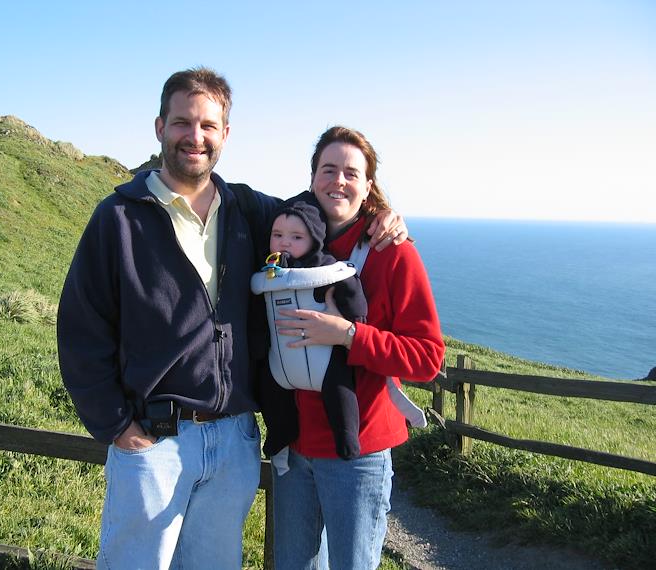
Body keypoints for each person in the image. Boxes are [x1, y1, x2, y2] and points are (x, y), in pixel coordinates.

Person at [56, 68, 408, 569]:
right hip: (154, 441)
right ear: (160, 127)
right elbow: (80, 330)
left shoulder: (248, 210)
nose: (194, 137)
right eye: (182, 122)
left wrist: (381, 213)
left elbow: (313, 216)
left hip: (233, 444)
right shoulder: (119, 218)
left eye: (208, 125)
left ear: (225, 133)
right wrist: (119, 427)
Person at [270, 126, 446, 570]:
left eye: (352, 173)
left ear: (368, 186)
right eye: (328, 170)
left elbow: (428, 358)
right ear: (312, 178)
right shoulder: (287, 236)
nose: (338, 181)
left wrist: (349, 335)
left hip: (359, 453)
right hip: (295, 449)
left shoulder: (394, 253)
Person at [254, 200, 367, 461]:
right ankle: (279, 433)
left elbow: (349, 286)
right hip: (281, 359)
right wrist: (257, 343)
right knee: (270, 392)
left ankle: (347, 436)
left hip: (324, 357)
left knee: (339, 388)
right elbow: (257, 311)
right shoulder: (267, 271)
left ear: (314, 239)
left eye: (296, 237)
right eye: (277, 235)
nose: (284, 242)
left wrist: (356, 319)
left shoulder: (325, 266)